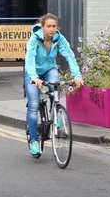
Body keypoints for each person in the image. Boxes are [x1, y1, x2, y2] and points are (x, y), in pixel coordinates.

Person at [24, 13, 83, 157]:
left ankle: (56, 117)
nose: (51, 29)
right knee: (33, 105)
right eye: (48, 26)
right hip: (33, 72)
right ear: (42, 27)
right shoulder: (35, 39)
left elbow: (69, 55)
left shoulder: (59, 39)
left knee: (55, 90)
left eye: (54, 26)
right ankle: (34, 140)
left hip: (50, 69)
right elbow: (29, 59)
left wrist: (77, 76)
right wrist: (34, 77)